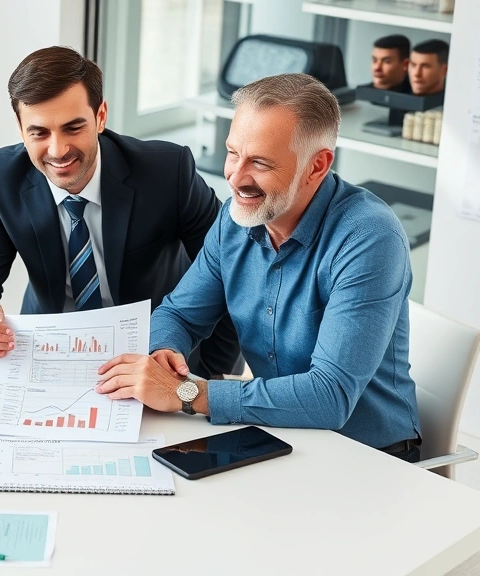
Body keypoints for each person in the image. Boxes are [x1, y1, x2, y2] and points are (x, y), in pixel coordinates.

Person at [94, 73, 422, 461]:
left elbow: (329, 397)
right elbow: (180, 313)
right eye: (233, 153)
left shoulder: (369, 238)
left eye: (260, 163)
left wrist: (186, 394)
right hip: (277, 436)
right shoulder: (237, 218)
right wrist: (164, 351)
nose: (235, 176)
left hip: (368, 457)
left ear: (317, 166)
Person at [0, 46, 241, 377]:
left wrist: (207, 381)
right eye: (39, 132)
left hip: (156, 354)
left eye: (73, 127)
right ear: (19, 126)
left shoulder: (168, 171)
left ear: (100, 116)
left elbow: (231, 275)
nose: (58, 151)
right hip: (49, 354)